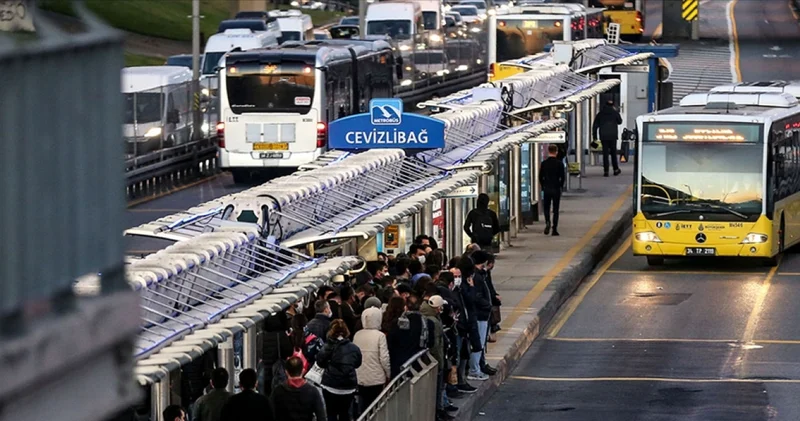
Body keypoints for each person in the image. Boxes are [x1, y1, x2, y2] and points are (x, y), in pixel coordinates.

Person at [316, 320, 363, 421]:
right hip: (348, 386)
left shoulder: (327, 347)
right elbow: (358, 364)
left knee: (331, 413)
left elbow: (320, 362)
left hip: (330, 385)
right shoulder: (354, 348)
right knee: (345, 413)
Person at [352, 307, 391, 413]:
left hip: (360, 376)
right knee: (375, 406)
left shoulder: (357, 335)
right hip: (376, 378)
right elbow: (384, 358)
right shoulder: (380, 336)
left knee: (362, 404)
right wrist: (388, 373)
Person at [271, 356, 327, 421]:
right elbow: (321, 417)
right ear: (302, 371)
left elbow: (270, 413)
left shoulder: (277, 391)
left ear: (286, 372)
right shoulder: (313, 391)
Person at [539, 144, 565, 236]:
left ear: (548, 151)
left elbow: (540, 177)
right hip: (556, 188)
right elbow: (563, 177)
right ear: (556, 152)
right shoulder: (559, 164)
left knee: (546, 208)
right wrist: (560, 186)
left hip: (547, 188)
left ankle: (547, 222)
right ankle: (554, 228)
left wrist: (543, 186)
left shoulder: (544, 163)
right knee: (555, 209)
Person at [592, 99, 623, 177]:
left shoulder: (600, 114)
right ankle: (615, 169)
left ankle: (606, 171)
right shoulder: (615, 113)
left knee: (605, 154)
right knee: (613, 153)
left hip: (603, 136)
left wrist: (595, 136)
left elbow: (595, 126)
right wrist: (616, 112)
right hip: (613, 135)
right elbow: (620, 121)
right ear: (612, 105)